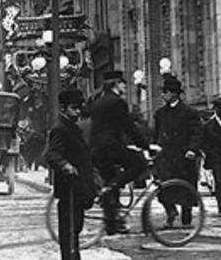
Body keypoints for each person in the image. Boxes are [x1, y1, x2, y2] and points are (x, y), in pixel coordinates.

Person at [88, 70, 148, 234]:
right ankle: (114, 186)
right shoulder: (117, 102)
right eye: (122, 83)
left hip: (97, 149)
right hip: (110, 147)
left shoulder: (97, 101)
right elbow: (128, 126)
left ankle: (112, 224)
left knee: (109, 183)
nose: (124, 86)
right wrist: (145, 145)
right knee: (139, 164)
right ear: (116, 84)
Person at [45, 88, 96, 260]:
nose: (78, 111)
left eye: (79, 107)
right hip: (69, 189)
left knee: (74, 230)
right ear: (63, 108)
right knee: (69, 232)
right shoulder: (60, 129)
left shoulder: (72, 127)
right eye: (74, 108)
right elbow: (52, 154)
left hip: (77, 188)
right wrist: (65, 165)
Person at [153, 76, 202, 229]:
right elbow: (157, 133)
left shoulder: (189, 112)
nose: (163, 95)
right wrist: (154, 147)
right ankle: (171, 211)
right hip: (166, 156)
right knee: (164, 186)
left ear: (174, 94)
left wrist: (192, 149)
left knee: (185, 186)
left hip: (183, 155)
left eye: (165, 92)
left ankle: (186, 217)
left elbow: (197, 133)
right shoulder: (160, 113)